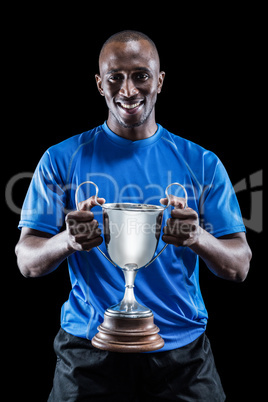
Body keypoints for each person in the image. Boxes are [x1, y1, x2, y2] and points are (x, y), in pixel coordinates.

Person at [16, 30, 252, 401]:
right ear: (99, 84)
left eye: (140, 75)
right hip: (88, 352)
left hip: (182, 354)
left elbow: (239, 267)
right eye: (115, 77)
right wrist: (68, 240)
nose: (128, 90)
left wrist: (197, 238)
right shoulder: (62, 159)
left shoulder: (201, 163)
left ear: (159, 81)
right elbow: (27, 262)